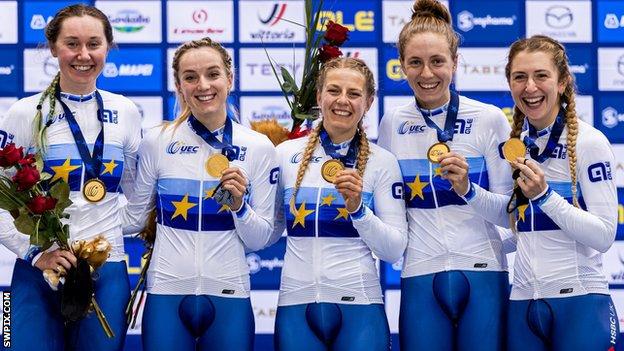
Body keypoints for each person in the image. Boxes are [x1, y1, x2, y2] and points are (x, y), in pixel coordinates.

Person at [463, 35, 619, 351]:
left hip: (579, 302)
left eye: (541, 76)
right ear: (510, 84)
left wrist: (545, 195)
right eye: (519, 77)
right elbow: (515, 221)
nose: (530, 87)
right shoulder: (518, 146)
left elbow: (604, 236)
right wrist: (467, 190)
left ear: (562, 83)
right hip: (523, 302)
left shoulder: (589, 143)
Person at [121, 37, 278, 351]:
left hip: (230, 294)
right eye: (190, 77)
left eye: (212, 74)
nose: (203, 85)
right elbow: (134, 218)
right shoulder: (157, 141)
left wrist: (240, 208)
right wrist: (73, 214)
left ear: (229, 79)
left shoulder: (259, 147)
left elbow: (262, 239)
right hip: (166, 292)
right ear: (179, 86)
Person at [0, 4, 142, 350]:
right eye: (72, 44)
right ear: (53, 48)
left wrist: (101, 233)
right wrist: (36, 251)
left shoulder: (126, 112)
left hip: (107, 271)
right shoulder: (24, 112)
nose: (83, 55)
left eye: (94, 44)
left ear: (108, 47)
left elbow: (139, 197)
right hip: (36, 270)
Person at [377, 0, 513, 349]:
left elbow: (509, 215)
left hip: (483, 270)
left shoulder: (489, 118)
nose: (427, 74)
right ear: (402, 66)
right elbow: (391, 213)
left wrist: (468, 189)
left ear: (455, 62)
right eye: (415, 63)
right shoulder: (393, 122)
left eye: (437, 62)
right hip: (419, 272)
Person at [271, 57, 408, 351]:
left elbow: (393, 249)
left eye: (354, 93)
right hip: (296, 301)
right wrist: (239, 206)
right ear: (319, 96)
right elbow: (265, 234)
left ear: (369, 102)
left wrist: (359, 210)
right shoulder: (284, 154)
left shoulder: (382, 162)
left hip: (359, 304)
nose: (342, 101)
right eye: (333, 91)